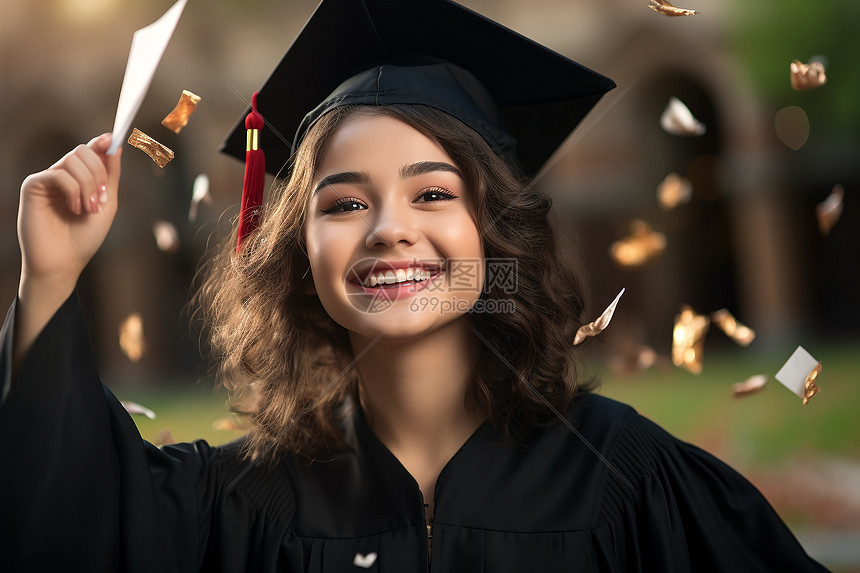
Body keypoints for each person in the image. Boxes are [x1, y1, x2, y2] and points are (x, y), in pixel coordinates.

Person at [0, 0, 830, 571]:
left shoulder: (633, 482)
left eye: (433, 193)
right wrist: (52, 276)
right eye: (345, 201)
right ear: (299, 255)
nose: (388, 227)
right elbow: (59, 519)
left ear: (494, 234)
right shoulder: (235, 504)